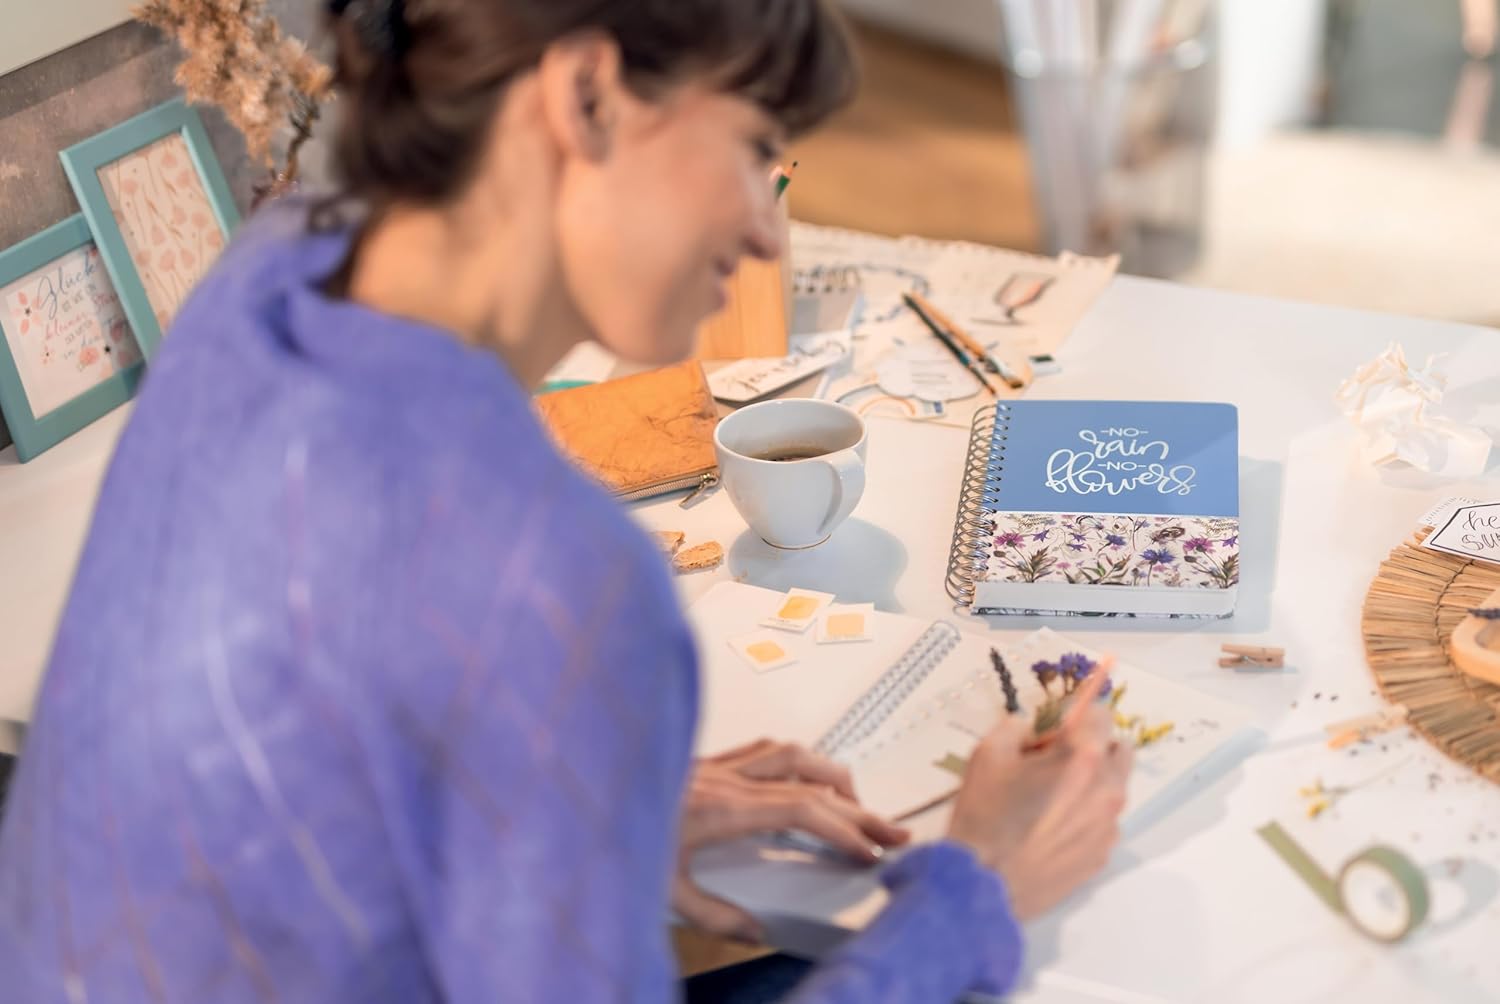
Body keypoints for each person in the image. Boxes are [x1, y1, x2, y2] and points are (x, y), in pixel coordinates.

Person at [0, 1, 1132, 1000]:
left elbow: (303, 750)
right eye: (754, 149)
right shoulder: (557, 571)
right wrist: (975, 891)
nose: (766, 225)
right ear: (587, 93)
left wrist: (570, 803)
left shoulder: (265, 278)